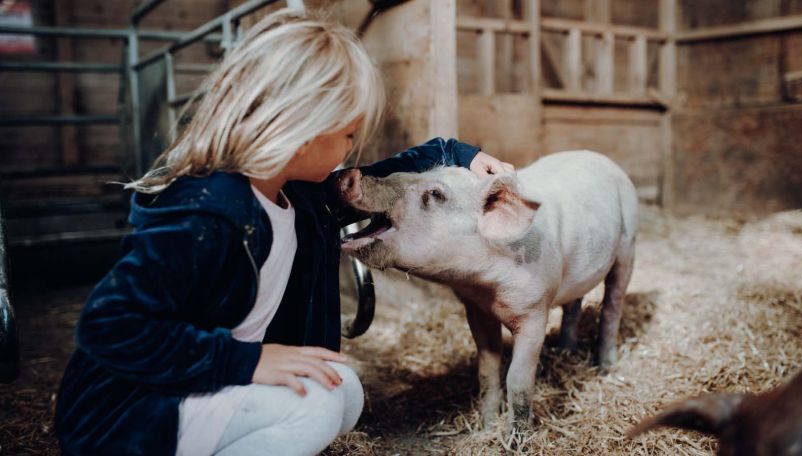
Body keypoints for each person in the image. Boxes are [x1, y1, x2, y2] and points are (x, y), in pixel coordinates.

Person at [55, 8, 513, 456]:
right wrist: (249, 362)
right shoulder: (208, 215)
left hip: (200, 384)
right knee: (312, 410)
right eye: (349, 134)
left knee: (343, 390)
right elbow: (107, 326)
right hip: (130, 415)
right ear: (302, 130)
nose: (351, 150)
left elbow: (381, 182)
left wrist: (458, 153)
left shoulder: (299, 195)